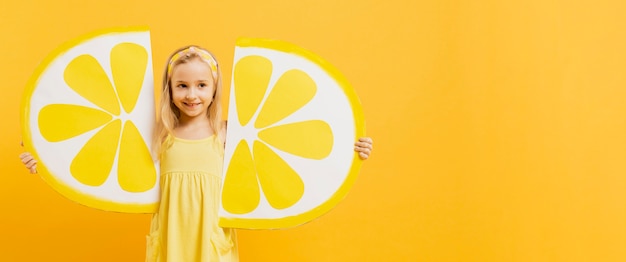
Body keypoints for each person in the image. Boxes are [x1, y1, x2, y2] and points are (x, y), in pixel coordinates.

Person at [19, 45, 374, 261]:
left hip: (213, 246)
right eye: (183, 85)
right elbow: (95, 151)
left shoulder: (229, 135)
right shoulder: (160, 135)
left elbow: (295, 150)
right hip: (170, 244)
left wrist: (351, 148)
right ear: (169, 89)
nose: (192, 94)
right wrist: (42, 161)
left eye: (202, 85)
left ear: (214, 88)